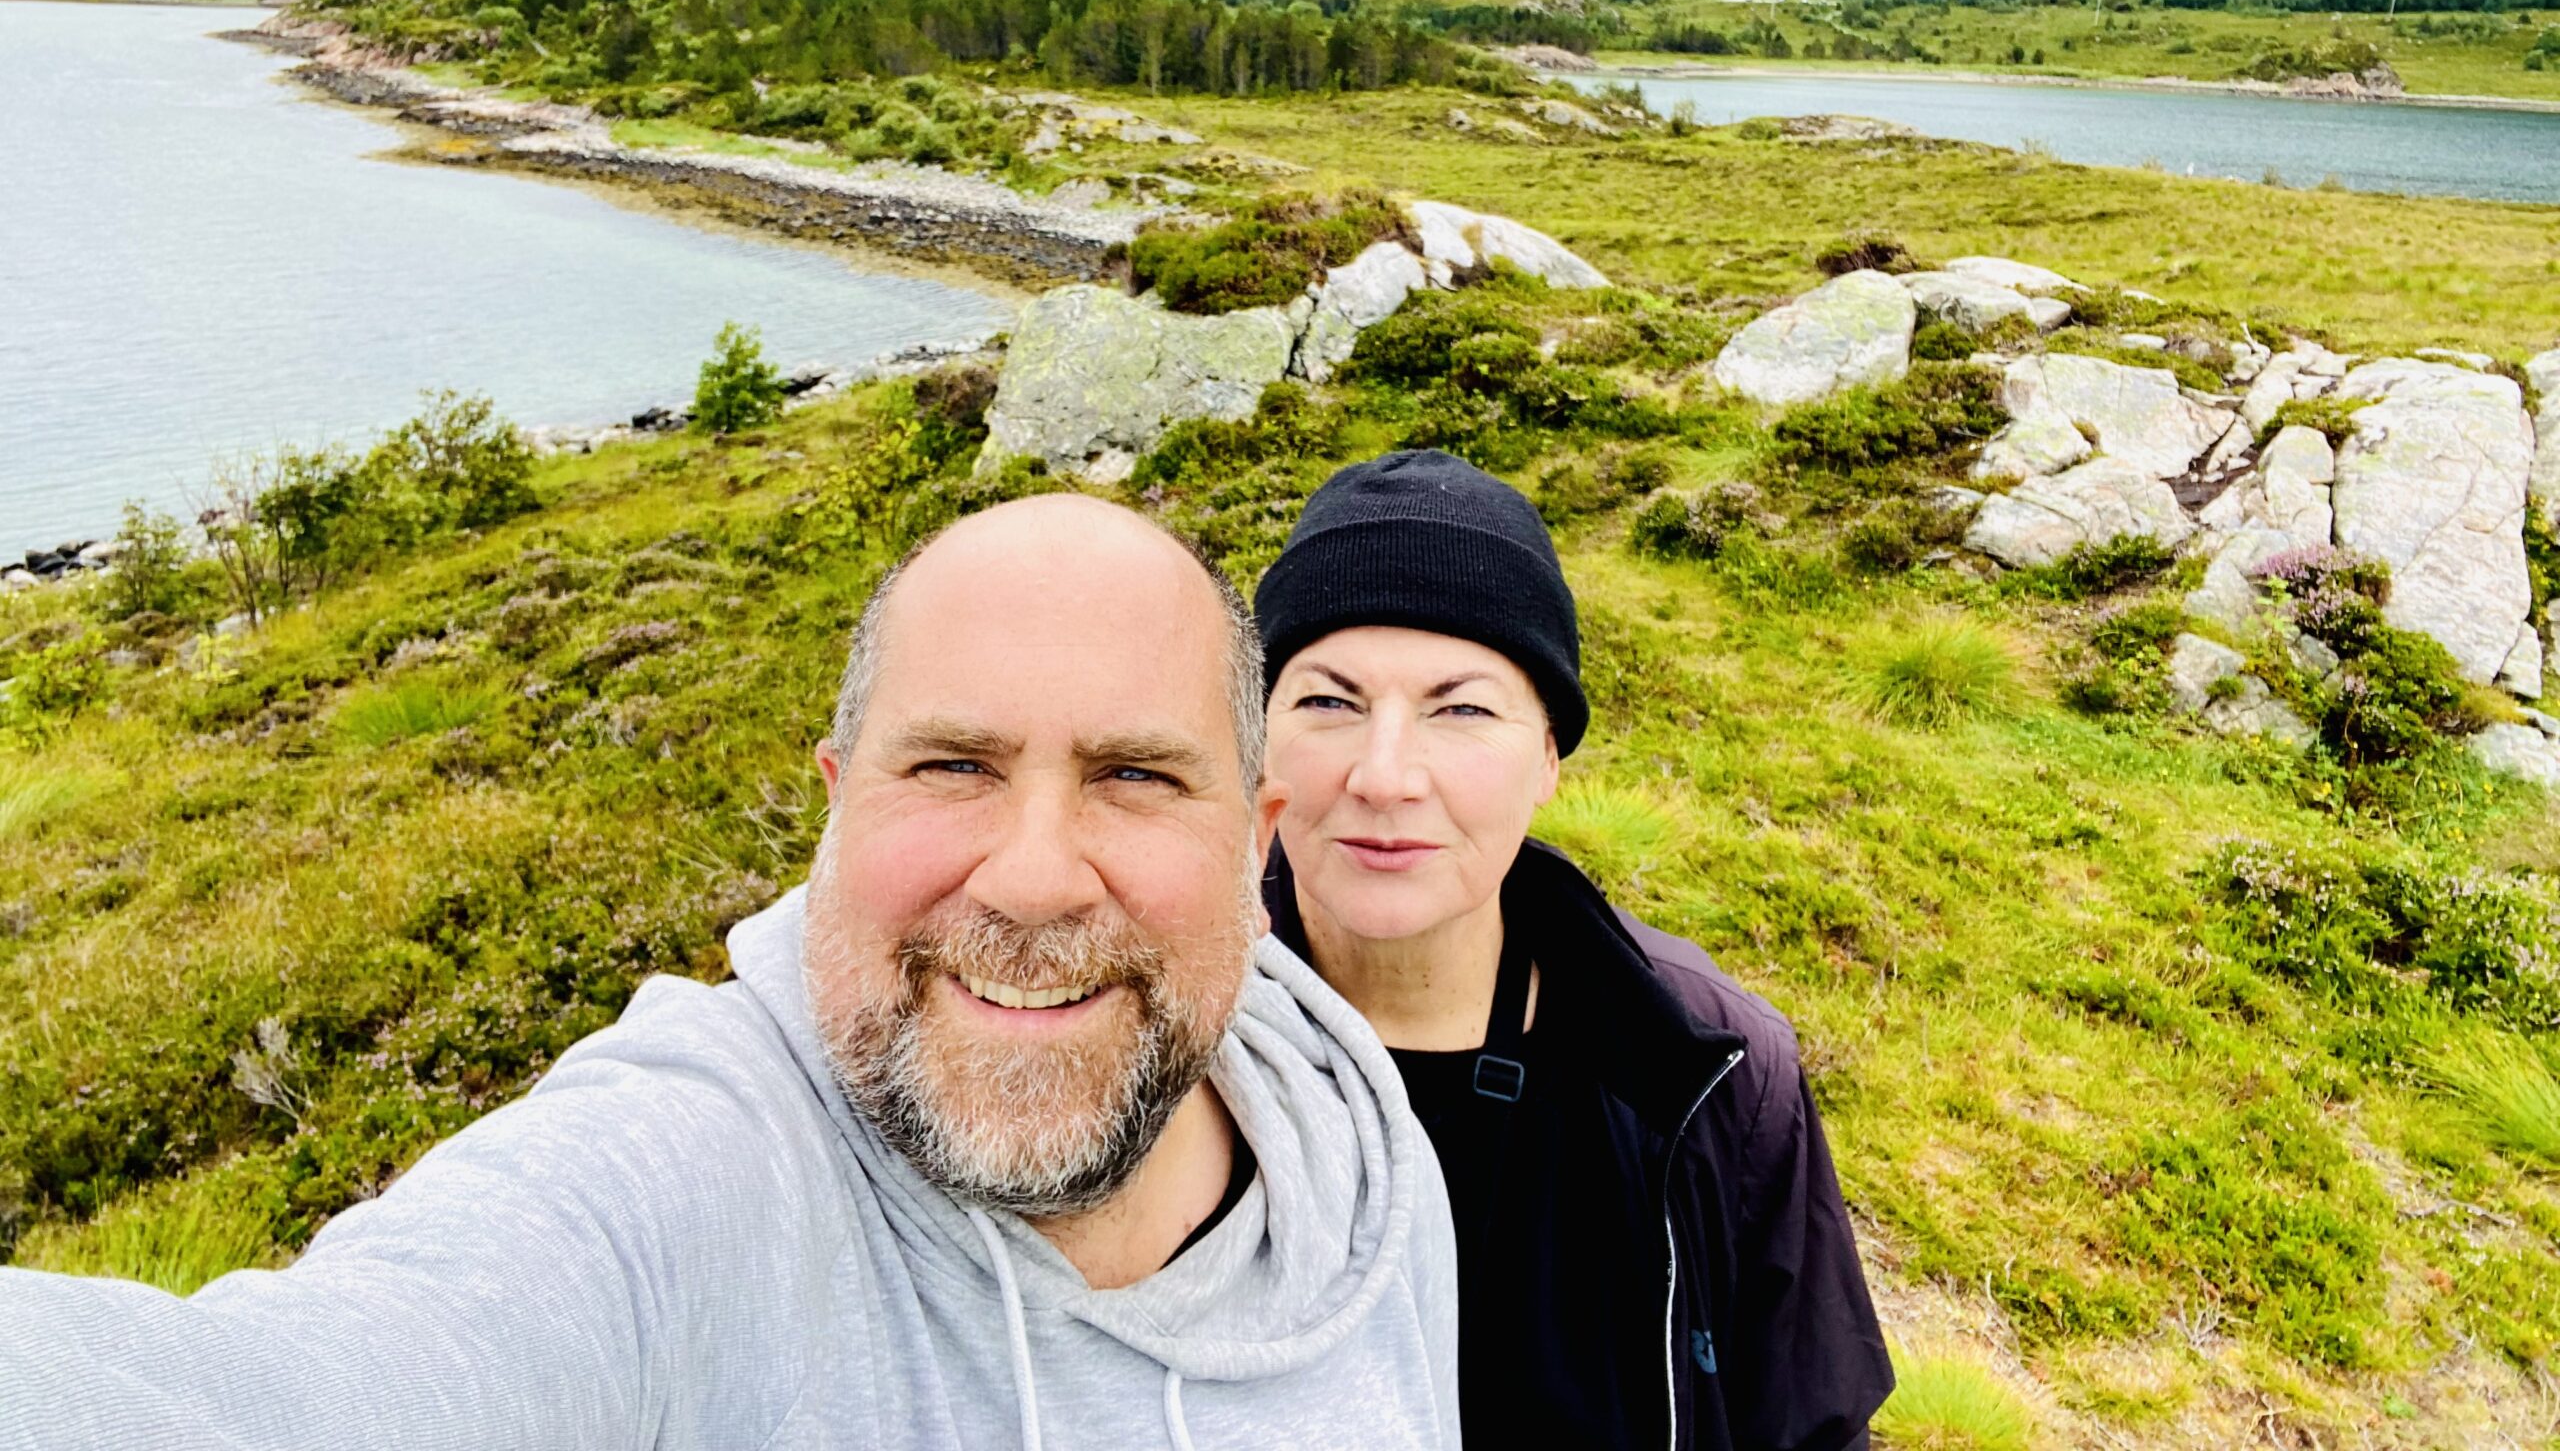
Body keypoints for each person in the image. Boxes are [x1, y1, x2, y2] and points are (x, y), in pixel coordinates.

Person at [0, 496, 1460, 1451]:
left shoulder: (1359, 1167)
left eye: (1136, 776)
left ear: (1252, 842)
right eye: (951, 766)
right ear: (834, 805)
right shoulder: (683, 1179)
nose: (1031, 878)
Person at [1254, 449, 1893, 1451]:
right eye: (1328, 702)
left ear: (1548, 755)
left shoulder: (1706, 1069)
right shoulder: (1157, 1026)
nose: (1384, 776)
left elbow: (1810, 1430)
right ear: (1256, 738)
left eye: (1462, 708)